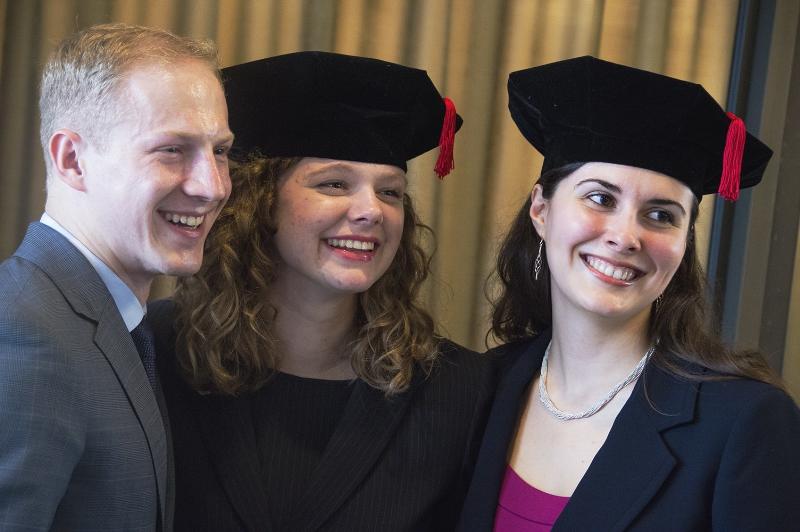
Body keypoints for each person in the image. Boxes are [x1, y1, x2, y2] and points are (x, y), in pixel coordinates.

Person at [149, 51, 493, 531]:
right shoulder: (156, 353)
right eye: (334, 184)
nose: (371, 210)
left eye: (390, 192)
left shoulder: (458, 389)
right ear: (262, 202)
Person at [458, 56, 800, 531]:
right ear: (541, 208)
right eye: (601, 198)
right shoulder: (474, 391)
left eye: (661, 215)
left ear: (684, 243)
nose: (625, 237)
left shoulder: (744, 424)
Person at [0, 23, 232, 531]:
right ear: (72, 159)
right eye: (172, 149)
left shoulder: (110, 320)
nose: (212, 186)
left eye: (221, 151)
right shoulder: (22, 332)